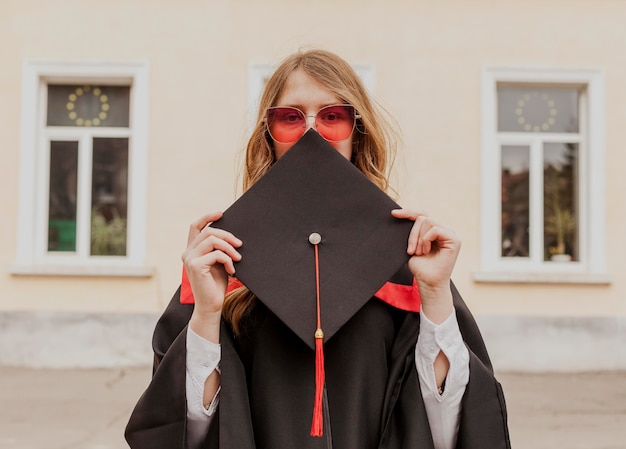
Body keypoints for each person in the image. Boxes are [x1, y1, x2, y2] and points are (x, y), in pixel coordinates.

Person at [125, 49, 510, 449]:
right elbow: (186, 434)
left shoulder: (405, 262)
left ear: (356, 130)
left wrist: (434, 296)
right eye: (290, 118)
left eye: (332, 116)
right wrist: (206, 313)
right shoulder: (226, 260)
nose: (312, 132)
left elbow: (448, 429)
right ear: (268, 135)